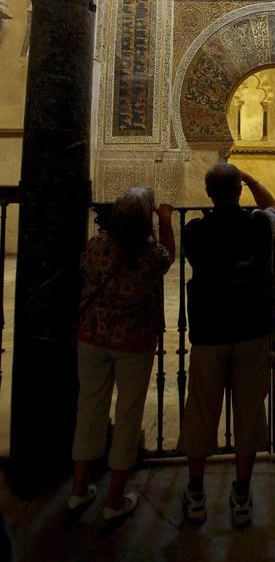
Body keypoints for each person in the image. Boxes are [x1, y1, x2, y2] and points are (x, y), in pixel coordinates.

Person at [177, 163, 275, 527]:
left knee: (201, 410)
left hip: (208, 333)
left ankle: (196, 492)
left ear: (208, 194)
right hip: (252, 330)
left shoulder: (193, 232)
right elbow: (273, 209)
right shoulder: (258, 226)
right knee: (250, 415)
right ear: (239, 191)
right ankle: (241, 494)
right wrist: (253, 180)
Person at [68, 186, 175, 520]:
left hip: (92, 339)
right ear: (146, 220)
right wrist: (166, 220)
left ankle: (78, 489)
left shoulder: (97, 246)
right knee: (128, 416)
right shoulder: (149, 255)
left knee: (89, 409)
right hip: (134, 344)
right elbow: (168, 255)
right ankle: (115, 500)